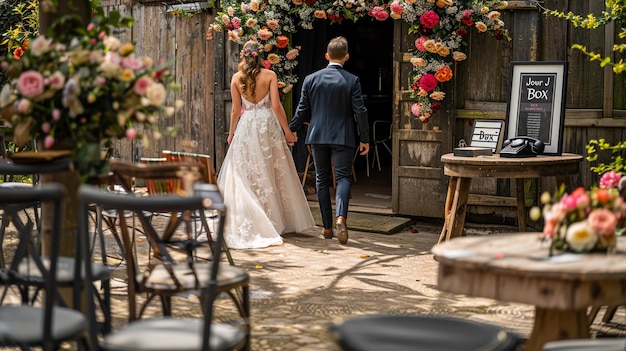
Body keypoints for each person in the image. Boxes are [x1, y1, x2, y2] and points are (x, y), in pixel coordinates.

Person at [217, 40, 315, 249]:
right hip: (266, 126)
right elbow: (277, 106)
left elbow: (235, 110)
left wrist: (232, 133)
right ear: (260, 56)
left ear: (243, 55)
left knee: (246, 171)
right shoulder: (270, 76)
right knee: (271, 169)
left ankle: (253, 215)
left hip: (246, 126)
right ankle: (271, 219)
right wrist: (288, 132)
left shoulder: (236, 78)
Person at [289, 36, 370, 245]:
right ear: (347, 57)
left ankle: (326, 228)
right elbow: (360, 111)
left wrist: (290, 130)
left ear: (327, 56)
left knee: (321, 180)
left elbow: (302, 110)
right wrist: (365, 138)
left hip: (317, 135)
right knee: (343, 178)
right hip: (343, 136)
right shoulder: (352, 80)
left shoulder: (311, 79)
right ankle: (341, 217)